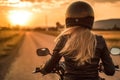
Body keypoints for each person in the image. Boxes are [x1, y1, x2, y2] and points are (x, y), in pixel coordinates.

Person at [40, 1, 115, 80]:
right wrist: (102, 67)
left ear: (68, 18)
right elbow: (110, 71)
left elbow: (48, 67)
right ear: (90, 19)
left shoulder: (64, 39)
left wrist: (43, 68)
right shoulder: (99, 40)